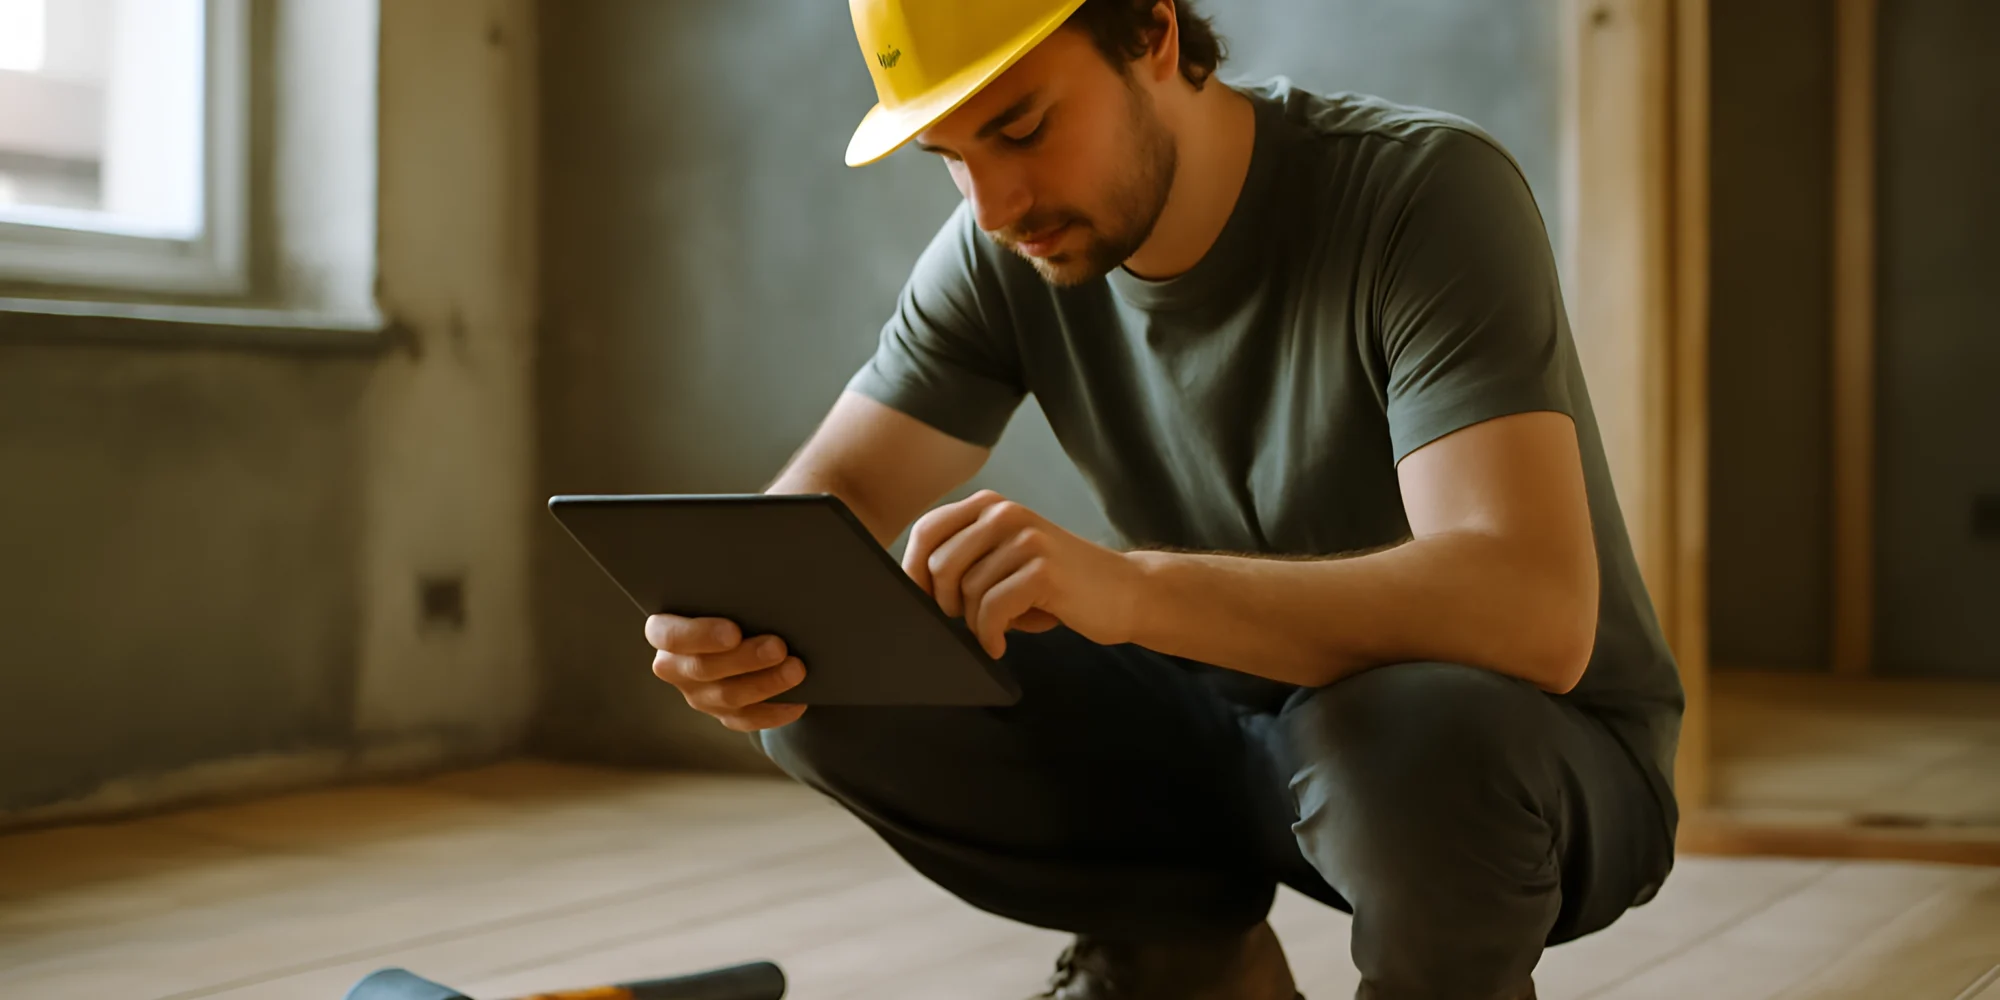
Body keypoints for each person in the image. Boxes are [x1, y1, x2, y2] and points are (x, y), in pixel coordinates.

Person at [642, 1, 1683, 997]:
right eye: (949, 157)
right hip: (1237, 730)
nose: (994, 207)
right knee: (832, 672)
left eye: (1022, 128)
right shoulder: (1003, 251)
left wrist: (1131, 590)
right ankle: (1185, 961)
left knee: (1409, 730)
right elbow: (831, 497)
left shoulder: (1421, 193)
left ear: (1151, 29)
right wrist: (745, 625)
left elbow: (1531, 610)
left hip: (1525, 758)